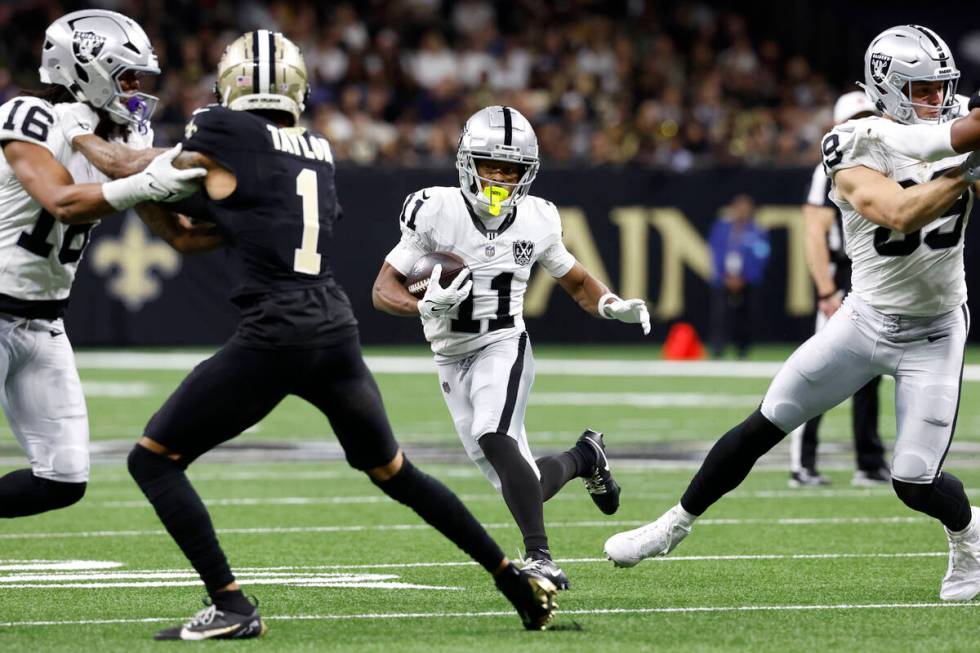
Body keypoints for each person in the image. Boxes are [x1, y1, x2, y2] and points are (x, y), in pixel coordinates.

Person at [71, 32, 558, 639]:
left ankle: (232, 606)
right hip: (332, 328)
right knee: (396, 473)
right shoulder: (319, 148)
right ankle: (516, 581)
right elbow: (201, 229)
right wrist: (169, 195)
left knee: (153, 460)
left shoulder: (220, 132)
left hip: (275, 332)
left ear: (233, 84)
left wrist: (73, 130)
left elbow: (124, 169)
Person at [604, 25, 980, 603]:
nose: (938, 99)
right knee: (767, 420)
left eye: (943, 88)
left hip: (935, 331)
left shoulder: (954, 123)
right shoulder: (853, 140)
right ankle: (671, 526)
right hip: (864, 320)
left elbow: (952, 130)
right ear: (890, 87)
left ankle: (969, 535)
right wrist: (965, 173)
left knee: (912, 479)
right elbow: (898, 213)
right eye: (924, 88)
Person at [372, 105, 650, 590]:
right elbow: (383, 289)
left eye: (511, 168)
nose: (500, 177)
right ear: (466, 163)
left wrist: (610, 305)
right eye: (490, 165)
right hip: (449, 355)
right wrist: (423, 307)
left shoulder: (538, 218)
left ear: (528, 173)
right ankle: (586, 457)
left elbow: (577, 281)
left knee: (492, 433)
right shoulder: (435, 209)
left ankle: (539, 558)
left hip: (503, 343)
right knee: (521, 484)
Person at [0, 10, 205, 526]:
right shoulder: (27, 115)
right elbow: (63, 201)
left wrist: (257, 221)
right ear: (84, 68)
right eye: (127, 74)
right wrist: (166, 172)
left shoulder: (120, 137)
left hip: (43, 322)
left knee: (61, 479)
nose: (136, 88)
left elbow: (177, 233)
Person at [789, 91, 889, 488]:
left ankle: (868, 461)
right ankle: (802, 462)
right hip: (841, 277)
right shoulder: (829, 167)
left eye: (868, 116)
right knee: (819, 369)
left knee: (871, 372)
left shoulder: (887, 162)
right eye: (855, 118)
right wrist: (827, 288)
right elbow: (814, 230)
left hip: (872, 276)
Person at [707, 194, 769, 359]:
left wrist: (745, 277)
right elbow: (715, 252)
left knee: (745, 318)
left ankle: (742, 350)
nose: (741, 211)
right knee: (720, 316)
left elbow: (761, 255)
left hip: (746, 282)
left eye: (745, 208)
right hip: (723, 280)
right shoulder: (722, 228)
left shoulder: (757, 231)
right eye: (738, 207)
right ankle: (717, 349)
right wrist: (724, 275)